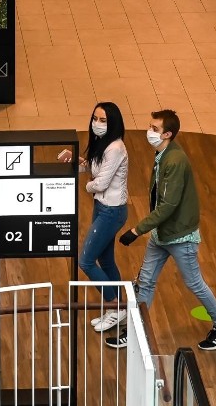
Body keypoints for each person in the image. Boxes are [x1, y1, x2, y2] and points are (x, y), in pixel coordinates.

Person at [109, 109, 216, 351]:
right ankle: (137, 331)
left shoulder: (175, 161)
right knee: (145, 282)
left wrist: (136, 230)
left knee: (194, 283)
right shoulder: (163, 155)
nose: (149, 132)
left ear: (167, 133)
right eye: (150, 127)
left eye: (154, 129)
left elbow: (168, 205)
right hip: (162, 233)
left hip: (180, 237)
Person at [60, 102, 130, 332]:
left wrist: (88, 187)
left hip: (111, 212)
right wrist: (75, 161)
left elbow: (100, 182)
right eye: (95, 118)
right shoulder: (103, 144)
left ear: (113, 124)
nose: (97, 124)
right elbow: (92, 168)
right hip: (102, 208)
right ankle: (119, 307)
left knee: (86, 261)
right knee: (106, 261)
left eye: (103, 120)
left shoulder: (116, 149)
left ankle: (115, 306)